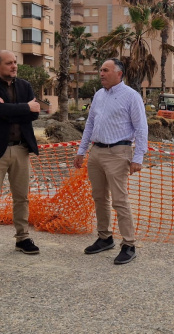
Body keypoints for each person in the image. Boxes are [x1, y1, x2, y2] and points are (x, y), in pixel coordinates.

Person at [74, 58, 148, 265]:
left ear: (119, 74)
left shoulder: (131, 97)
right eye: (100, 70)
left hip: (119, 152)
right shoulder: (98, 95)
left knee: (119, 199)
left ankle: (129, 244)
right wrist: (82, 151)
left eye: (106, 70)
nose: (101, 74)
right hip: (96, 152)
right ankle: (105, 237)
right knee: (98, 196)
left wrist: (138, 157)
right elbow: (90, 124)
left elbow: (141, 128)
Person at [0, 50, 41, 263]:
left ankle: (22, 238)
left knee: (22, 197)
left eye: (15, 63)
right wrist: (22, 108)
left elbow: (35, 113)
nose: (14, 66)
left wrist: (7, 108)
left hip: (21, 149)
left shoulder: (25, 86)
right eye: (9, 63)